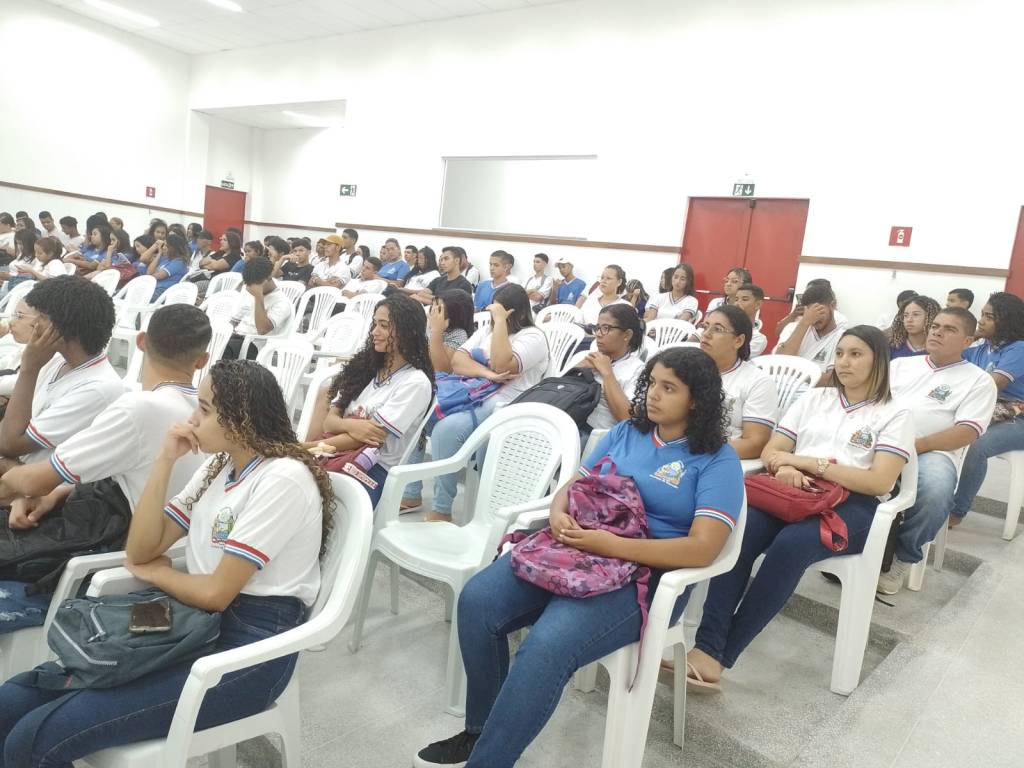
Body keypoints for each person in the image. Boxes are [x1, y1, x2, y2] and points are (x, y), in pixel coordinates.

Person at [413, 346, 743, 768]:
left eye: (669, 388)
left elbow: (703, 548)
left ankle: (490, 761)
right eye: (652, 384)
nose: (654, 395)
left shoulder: (716, 460)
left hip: (646, 577)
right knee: (478, 601)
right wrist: (557, 513)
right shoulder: (628, 432)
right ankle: (480, 732)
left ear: (696, 400)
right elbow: (576, 485)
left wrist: (610, 546)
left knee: (546, 646)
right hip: (579, 552)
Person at [0, 359, 332, 764]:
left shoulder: (281, 479)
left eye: (204, 410)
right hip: (189, 621)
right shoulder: (219, 467)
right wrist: (165, 460)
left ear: (239, 419)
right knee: (11, 700)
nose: (192, 420)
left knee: (34, 738)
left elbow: (215, 592)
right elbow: (141, 551)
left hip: (249, 648)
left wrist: (158, 572)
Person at [687, 326, 911, 691]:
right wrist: (785, 467)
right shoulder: (814, 399)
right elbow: (772, 450)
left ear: (879, 361)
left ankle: (719, 656)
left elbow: (879, 482)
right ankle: (706, 647)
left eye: (856, 354)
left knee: (791, 545)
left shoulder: (894, 412)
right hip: (792, 491)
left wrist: (808, 463)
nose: (844, 362)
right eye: (840, 353)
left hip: (852, 505)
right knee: (740, 532)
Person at [0, 305, 211, 632]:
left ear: (141, 342)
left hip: (107, 553)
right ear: (202, 360)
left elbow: (31, 481)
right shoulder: (206, 414)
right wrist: (55, 494)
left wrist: (10, 474)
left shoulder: (139, 408)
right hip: (153, 548)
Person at [877, 308, 996, 594]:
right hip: (882, 441)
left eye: (949, 329)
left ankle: (902, 558)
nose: (937, 332)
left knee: (936, 490)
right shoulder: (901, 365)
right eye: (936, 326)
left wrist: (915, 446)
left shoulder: (978, 380)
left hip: (933, 451)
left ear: (967, 341)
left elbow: (966, 432)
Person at [424, 284, 548, 522]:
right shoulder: (486, 332)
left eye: (500, 313)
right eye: (493, 313)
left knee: (446, 430)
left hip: (507, 404)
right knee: (422, 411)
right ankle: (411, 493)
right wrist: (488, 373)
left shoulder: (533, 337)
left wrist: (500, 323)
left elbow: (503, 364)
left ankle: (442, 508)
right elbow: (457, 363)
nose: (493, 318)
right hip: (474, 392)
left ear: (518, 313)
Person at [302, 294, 434, 507]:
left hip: (371, 469)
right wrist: (351, 427)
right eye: (375, 324)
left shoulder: (415, 383)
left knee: (304, 496)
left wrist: (306, 448)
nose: (374, 332)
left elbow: (366, 440)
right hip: (331, 453)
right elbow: (329, 422)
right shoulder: (365, 368)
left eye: (384, 326)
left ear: (408, 332)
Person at [0, 277, 123, 475]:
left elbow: (8, 444)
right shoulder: (58, 360)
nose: (34, 324)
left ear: (58, 327)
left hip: (31, 485)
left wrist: (29, 368)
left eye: (39, 317)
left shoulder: (97, 388)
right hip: (15, 470)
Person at [949, 293, 1024, 527]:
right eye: (982, 314)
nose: (980, 321)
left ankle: (956, 512)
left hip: (1018, 418)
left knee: (975, 445)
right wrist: (968, 338)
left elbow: (993, 384)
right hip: (985, 411)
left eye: (989, 317)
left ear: (1006, 321)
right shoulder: (981, 349)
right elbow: (946, 362)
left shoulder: (1019, 349)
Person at [699, 305, 778, 459]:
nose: (706, 334)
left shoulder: (758, 382)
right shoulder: (687, 370)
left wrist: (698, 452)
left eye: (717, 329)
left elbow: (755, 444)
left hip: (721, 457)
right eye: (705, 327)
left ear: (738, 341)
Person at [571, 304, 644, 438]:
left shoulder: (638, 370)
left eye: (606, 328)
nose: (598, 334)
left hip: (599, 435)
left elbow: (627, 418)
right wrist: (578, 370)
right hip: (571, 422)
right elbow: (559, 391)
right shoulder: (588, 357)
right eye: (597, 328)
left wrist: (607, 373)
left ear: (627, 335)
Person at [222, 257, 294, 360]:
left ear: (268, 277)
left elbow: (262, 329)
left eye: (254, 284)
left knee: (222, 350)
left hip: (254, 344)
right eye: (248, 284)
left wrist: (258, 297)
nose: (249, 288)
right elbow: (235, 319)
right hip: (236, 336)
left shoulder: (282, 302)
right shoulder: (249, 290)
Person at [773, 283, 847, 380]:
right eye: (810, 313)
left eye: (819, 311)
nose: (814, 318)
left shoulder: (843, 338)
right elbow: (780, 362)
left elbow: (832, 379)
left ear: (832, 305)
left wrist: (795, 375)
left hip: (813, 389)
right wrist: (805, 322)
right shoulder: (793, 328)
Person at [427, 289, 476, 375]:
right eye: (433, 305)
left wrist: (436, 331)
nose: (433, 310)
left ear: (454, 314)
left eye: (439, 308)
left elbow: (441, 370)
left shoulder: (459, 334)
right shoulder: (429, 323)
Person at [888, 295, 941, 359]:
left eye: (916, 314)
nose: (909, 320)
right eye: (906, 315)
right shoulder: (892, 346)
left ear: (931, 317)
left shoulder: (940, 347)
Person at [146, 232, 192, 300]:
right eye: (163, 245)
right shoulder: (166, 259)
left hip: (163, 292)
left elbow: (157, 276)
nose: (163, 248)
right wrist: (159, 254)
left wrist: (150, 276)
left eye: (166, 246)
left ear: (174, 248)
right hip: (154, 289)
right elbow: (149, 272)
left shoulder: (179, 263)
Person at [732, 284, 768, 357]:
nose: (737, 304)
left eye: (744, 299)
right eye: (736, 299)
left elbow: (735, 357)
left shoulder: (758, 338)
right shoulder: (722, 326)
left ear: (758, 304)